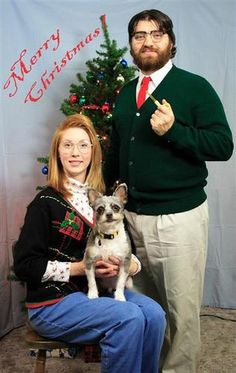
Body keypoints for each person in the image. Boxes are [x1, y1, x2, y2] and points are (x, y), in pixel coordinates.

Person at [103, 9, 234, 373]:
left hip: (178, 220)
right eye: (139, 35)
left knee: (180, 314)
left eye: (156, 34)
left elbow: (223, 145)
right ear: (131, 44)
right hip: (130, 221)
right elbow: (116, 150)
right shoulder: (127, 93)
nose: (148, 41)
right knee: (144, 310)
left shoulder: (194, 87)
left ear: (171, 41)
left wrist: (175, 130)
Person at [13, 113, 166, 373]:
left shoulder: (105, 202)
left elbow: (133, 254)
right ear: (57, 152)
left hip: (98, 294)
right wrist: (79, 268)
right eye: (68, 145)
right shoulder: (44, 204)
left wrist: (126, 268)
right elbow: (25, 265)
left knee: (154, 314)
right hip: (53, 303)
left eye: (83, 145)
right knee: (128, 317)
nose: (76, 152)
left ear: (93, 153)